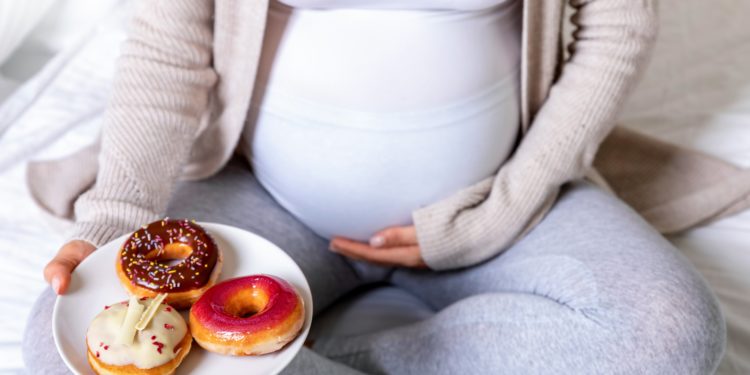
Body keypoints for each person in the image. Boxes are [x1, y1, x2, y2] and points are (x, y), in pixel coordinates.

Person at [24, 0, 726, 373]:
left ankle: (295, 358)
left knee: (670, 336)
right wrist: (117, 219)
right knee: (64, 353)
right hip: (271, 198)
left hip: (498, 203)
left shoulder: (503, 209)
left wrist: (502, 209)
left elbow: (618, 23)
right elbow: (169, 48)